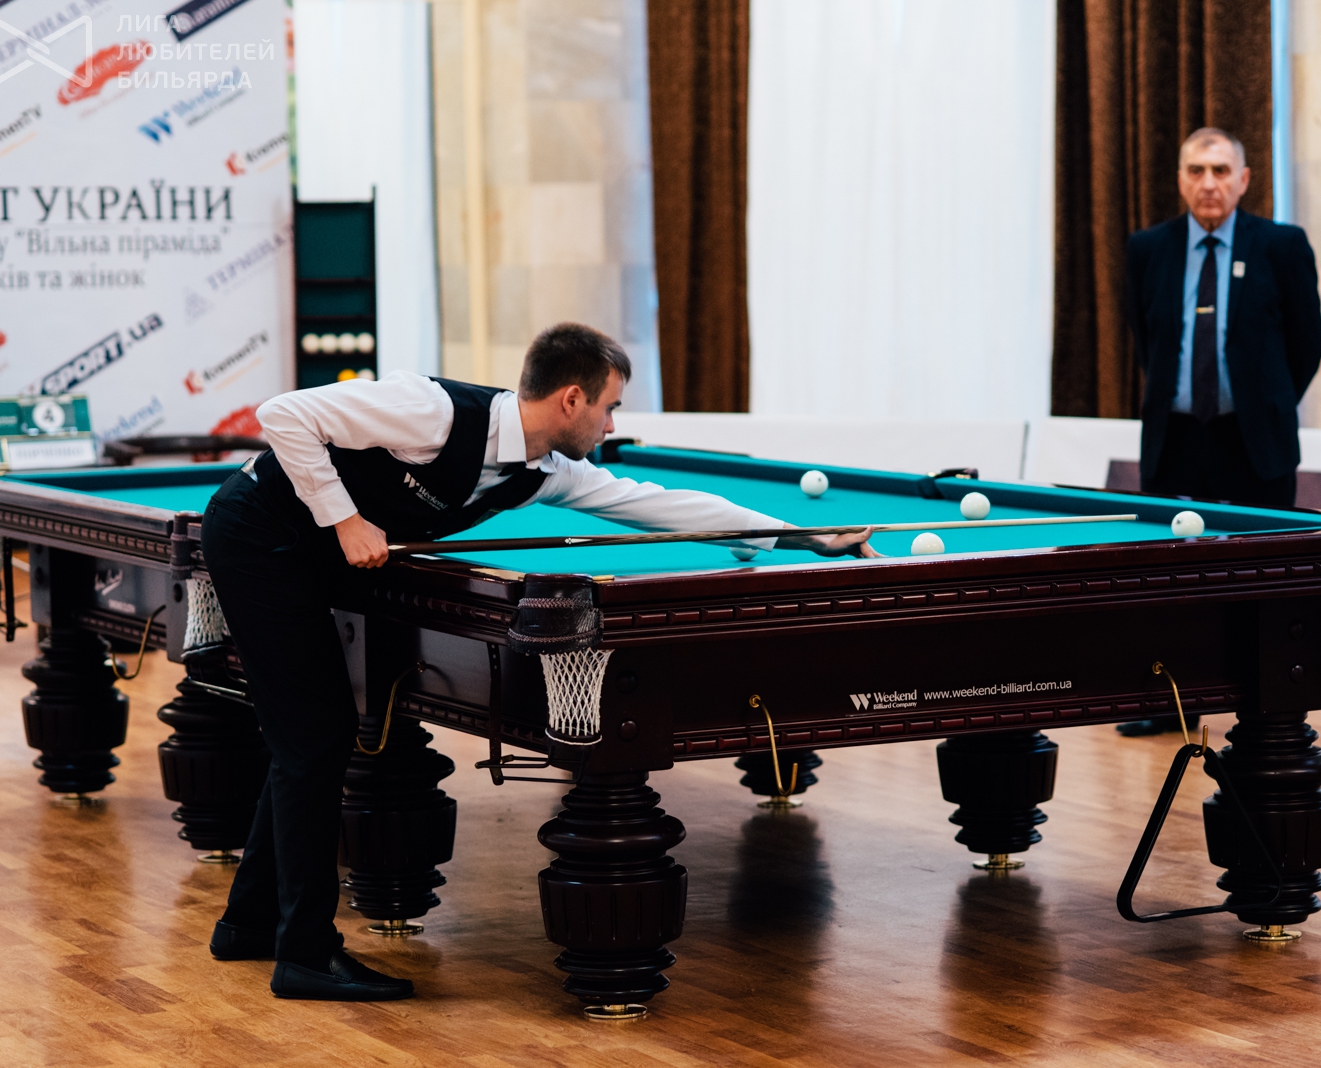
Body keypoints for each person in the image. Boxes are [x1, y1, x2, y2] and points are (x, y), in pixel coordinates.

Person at [202, 323, 874, 1000]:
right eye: (610, 407)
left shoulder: (544, 472)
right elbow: (284, 415)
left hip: (309, 556)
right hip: (260, 538)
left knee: (313, 739)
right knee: (314, 740)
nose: (612, 425)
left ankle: (250, 925)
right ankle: (305, 955)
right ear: (572, 399)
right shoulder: (432, 411)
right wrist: (344, 518)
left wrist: (808, 537)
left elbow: (655, 504)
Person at [1117, 127, 1321, 738]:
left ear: (1243, 179)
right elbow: (1147, 341)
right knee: (1168, 575)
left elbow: (1307, 344)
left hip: (1253, 441)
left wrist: (1266, 404)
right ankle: (1171, 702)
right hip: (1177, 438)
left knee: (1264, 575)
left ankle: (1268, 703)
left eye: (1221, 170)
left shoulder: (1281, 245)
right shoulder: (1148, 248)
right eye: (1196, 170)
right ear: (1180, 179)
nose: (1209, 183)